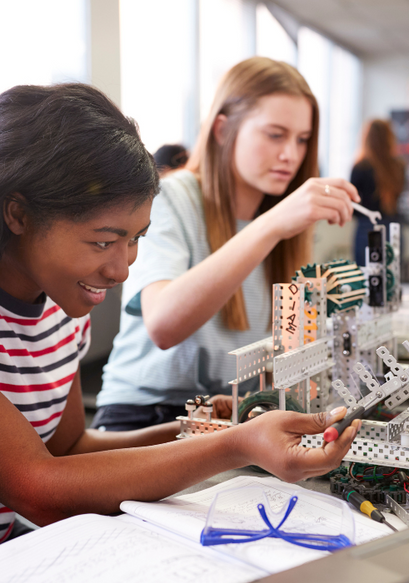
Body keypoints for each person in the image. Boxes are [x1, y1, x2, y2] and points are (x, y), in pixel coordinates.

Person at [0, 83, 360, 581]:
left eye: (136, 238)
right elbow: (38, 487)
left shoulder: (57, 302)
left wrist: (200, 432)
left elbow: (70, 449)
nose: (121, 269)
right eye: (102, 241)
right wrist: (233, 446)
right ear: (17, 214)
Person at [92, 57, 360, 431]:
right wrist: (272, 225)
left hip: (232, 415)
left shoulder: (282, 224)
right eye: (275, 134)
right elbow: (164, 325)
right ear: (222, 129)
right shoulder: (170, 197)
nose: (291, 155)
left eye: (301, 140)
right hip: (145, 417)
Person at [350, 119, 406, 267]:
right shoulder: (399, 166)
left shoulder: (360, 167)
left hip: (366, 229)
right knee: (391, 278)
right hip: (393, 227)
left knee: (367, 278)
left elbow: (353, 204)